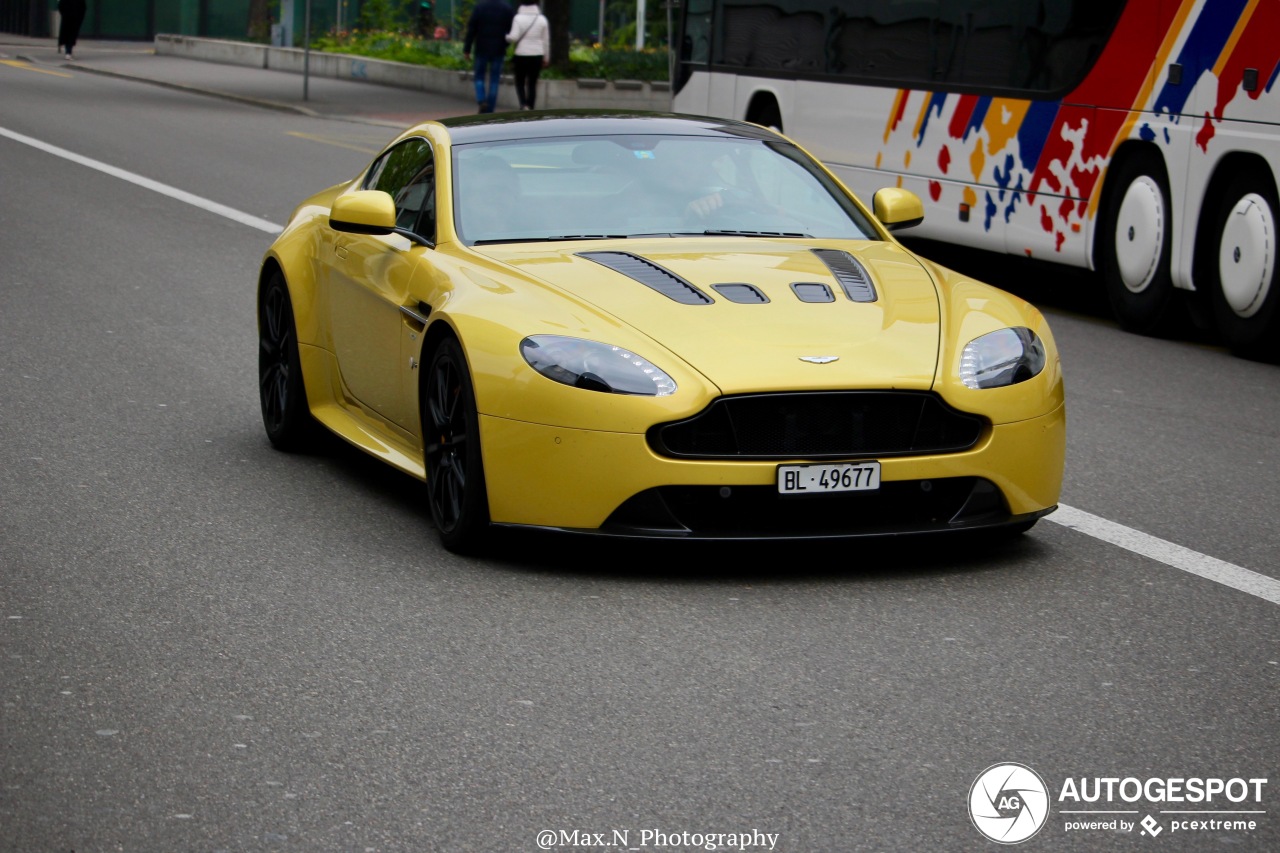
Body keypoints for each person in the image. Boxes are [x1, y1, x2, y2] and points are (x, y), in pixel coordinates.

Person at [463, 0, 514, 114]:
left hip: (482, 47)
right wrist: (505, 44)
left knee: (479, 77)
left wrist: (467, 48)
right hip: (499, 48)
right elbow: (511, 30)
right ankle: (490, 109)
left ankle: (481, 100)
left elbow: (472, 29)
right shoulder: (506, 8)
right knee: (494, 80)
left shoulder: (480, 7)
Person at [506, 2, 550, 110]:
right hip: (537, 54)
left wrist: (506, 37)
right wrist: (546, 57)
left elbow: (514, 37)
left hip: (521, 54)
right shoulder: (542, 19)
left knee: (520, 81)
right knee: (532, 83)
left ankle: (523, 104)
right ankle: (531, 106)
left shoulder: (518, 18)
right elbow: (546, 41)